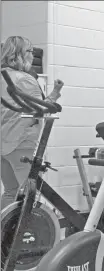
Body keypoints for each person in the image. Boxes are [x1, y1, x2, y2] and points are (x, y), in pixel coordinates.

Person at [1, 36, 64, 209]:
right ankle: (31, 232)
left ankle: (4, 233)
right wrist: (55, 98)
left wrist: (55, 92)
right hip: (22, 142)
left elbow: (33, 106)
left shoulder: (3, 76)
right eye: (30, 51)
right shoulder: (25, 79)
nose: (32, 55)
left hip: (4, 145)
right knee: (31, 194)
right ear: (19, 54)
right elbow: (41, 110)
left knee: (10, 192)